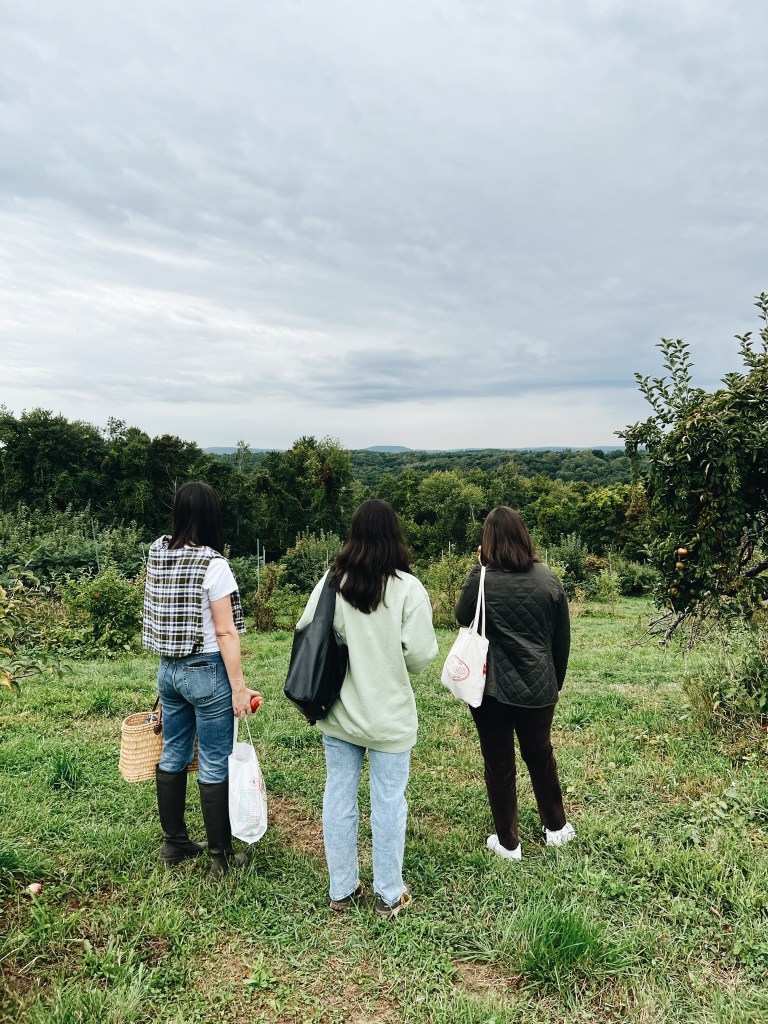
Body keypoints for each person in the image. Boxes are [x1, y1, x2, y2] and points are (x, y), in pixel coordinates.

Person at [296, 499, 438, 917]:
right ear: (395, 536)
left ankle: (342, 889)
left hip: (339, 714)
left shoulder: (331, 582)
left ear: (353, 535)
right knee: (390, 801)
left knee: (338, 793)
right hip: (390, 717)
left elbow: (307, 632)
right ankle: (389, 894)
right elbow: (421, 654)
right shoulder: (408, 588)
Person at [142, 481, 261, 879]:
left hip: (169, 670)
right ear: (212, 516)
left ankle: (174, 841)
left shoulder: (157, 552)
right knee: (213, 759)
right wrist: (239, 687)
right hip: (206, 670)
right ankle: (220, 857)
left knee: (173, 751)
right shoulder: (213, 564)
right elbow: (226, 632)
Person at [455, 506, 573, 860]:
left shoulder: (482, 577)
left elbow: (462, 615)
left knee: (499, 762)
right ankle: (555, 828)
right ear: (523, 535)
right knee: (540, 754)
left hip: (490, 689)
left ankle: (509, 843)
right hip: (539, 685)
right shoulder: (548, 578)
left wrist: (479, 566)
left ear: (487, 540)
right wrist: (555, 683)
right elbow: (561, 639)